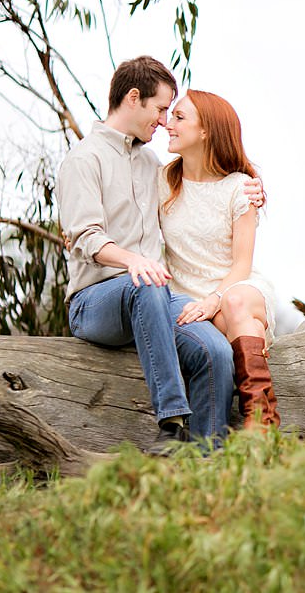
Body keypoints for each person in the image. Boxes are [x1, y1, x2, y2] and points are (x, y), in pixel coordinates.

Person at [57, 56, 262, 452]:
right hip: (94, 302)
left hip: (154, 298)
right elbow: (85, 236)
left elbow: (210, 182)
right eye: (161, 108)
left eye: (171, 112)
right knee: (145, 284)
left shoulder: (152, 165)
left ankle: (205, 461)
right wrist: (129, 259)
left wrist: (253, 189)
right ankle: (172, 422)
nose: (164, 119)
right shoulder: (84, 159)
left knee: (215, 351)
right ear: (134, 98)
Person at [163, 90, 281, 429]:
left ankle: (259, 421)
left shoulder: (240, 188)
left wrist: (214, 299)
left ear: (206, 131)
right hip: (189, 300)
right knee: (231, 319)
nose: (168, 125)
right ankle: (262, 418)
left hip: (236, 289)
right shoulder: (162, 182)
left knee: (235, 302)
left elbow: (241, 267)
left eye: (179, 117)